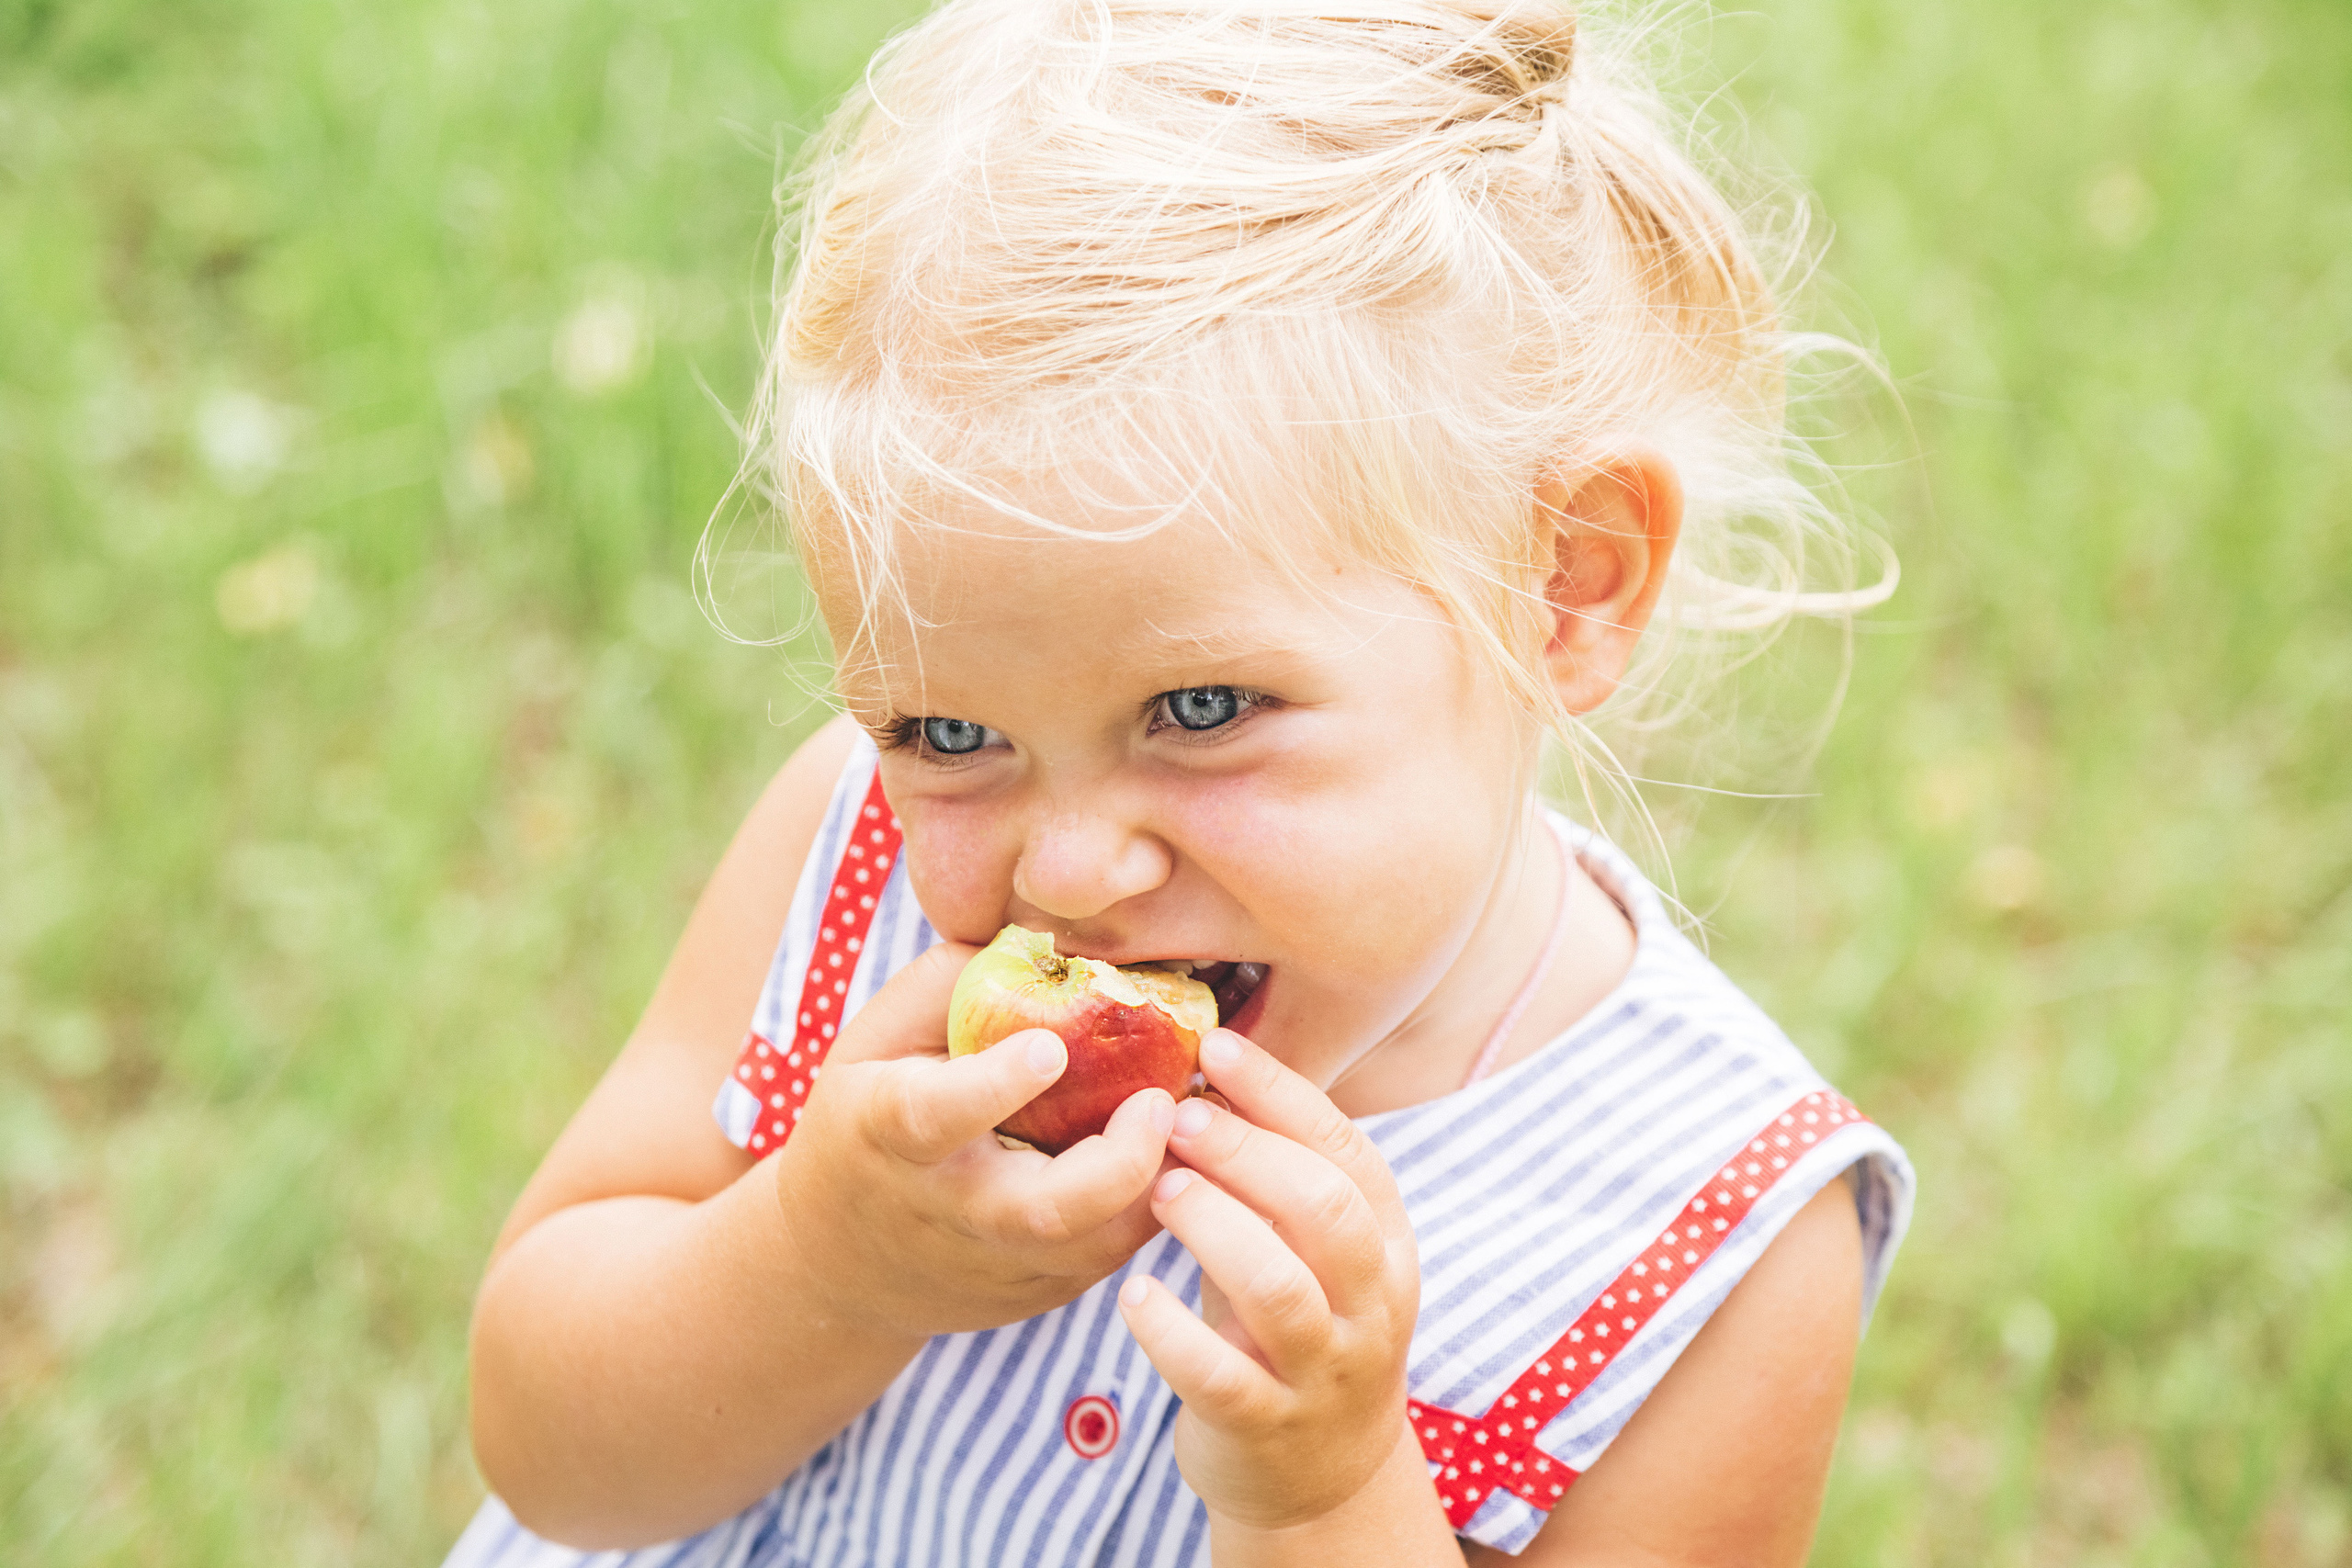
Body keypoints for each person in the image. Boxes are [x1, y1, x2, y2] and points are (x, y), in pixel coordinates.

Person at [443, 0, 1913, 1562]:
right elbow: (553, 1459)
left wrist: (1329, 1488)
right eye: (949, 737)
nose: (1068, 873)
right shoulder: (850, 858)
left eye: (1200, 709)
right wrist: (819, 1266)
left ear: (1563, 588)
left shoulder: (1705, 1232)